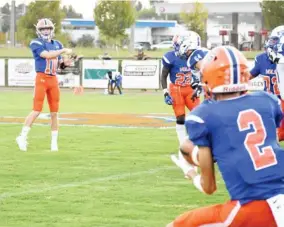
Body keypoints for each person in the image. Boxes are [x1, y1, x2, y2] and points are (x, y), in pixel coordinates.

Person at [166, 46, 284, 227]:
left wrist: (191, 171)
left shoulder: (204, 114)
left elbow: (209, 187)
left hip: (255, 206)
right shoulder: (267, 101)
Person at [16, 18, 73, 152]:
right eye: (43, 29)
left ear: (52, 30)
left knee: (54, 112)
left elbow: (59, 65)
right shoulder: (36, 43)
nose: (46, 31)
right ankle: (22, 136)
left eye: (48, 29)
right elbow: (47, 55)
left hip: (53, 79)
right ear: (39, 31)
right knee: (36, 110)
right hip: (42, 78)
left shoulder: (57, 43)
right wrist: (63, 50)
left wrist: (65, 63)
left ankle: (54, 143)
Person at [161, 32, 206, 166]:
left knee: (199, 116)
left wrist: (199, 85)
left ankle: (200, 144)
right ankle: (183, 146)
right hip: (177, 89)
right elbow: (163, 75)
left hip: (190, 88)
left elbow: (202, 72)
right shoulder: (171, 57)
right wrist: (165, 92)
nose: (176, 47)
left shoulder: (196, 56)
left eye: (178, 44)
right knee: (180, 118)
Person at [250, 35, 284, 141]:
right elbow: (248, 76)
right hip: (269, 103)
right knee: (271, 135)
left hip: (281, 100)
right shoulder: (261, 59)